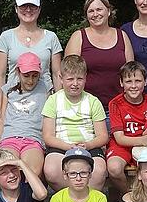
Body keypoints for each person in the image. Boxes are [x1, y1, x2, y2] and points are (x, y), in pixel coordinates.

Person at [42, 55, 109, 191]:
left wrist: (88, 145)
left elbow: (103, 136)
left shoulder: (93, 101)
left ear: (85, 78)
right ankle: (68, 201)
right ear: (61, 78)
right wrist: (68, 146)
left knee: (99, 171)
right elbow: (48, 137)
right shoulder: (53, 100)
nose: (75, 83)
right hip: (61, 145)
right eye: (70, 79)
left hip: (88, 146)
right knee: (51, 170)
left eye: (79, 79)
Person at [0, 0, 63, 112]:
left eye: (33, 6)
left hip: (45, 100)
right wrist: (0, 106)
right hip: (14, 101)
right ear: (16, 8)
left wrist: (60, 103)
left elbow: (57, 74)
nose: (28, 10)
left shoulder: (51, 37)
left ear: (39, 9)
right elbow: (0, 74)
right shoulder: (6, 37)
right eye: (23, 6)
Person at [65, 0, 134, 112]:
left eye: (99, 9)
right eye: (91, 11)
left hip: (119, 108)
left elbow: (131, 73)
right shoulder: (78, 37)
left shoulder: (122, 36)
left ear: (108, 11)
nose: (95, 14)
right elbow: (68, 75)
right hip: (85, 108)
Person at [0, 52, 52, 177]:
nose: (31, 80)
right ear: (18, 72)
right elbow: (2, 119)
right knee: (7, 170)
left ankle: (26, 196)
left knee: (31, 173)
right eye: (26, 76)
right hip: (9, 137)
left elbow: (50, 118)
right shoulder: (9, 88)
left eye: (35, 76)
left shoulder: (45, 87)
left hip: (33, 139)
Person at [106, 61, 147, 194]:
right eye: (129, 81)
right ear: (121, 83)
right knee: (114, 168)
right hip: (123, 145)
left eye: (138, 81)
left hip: (145, 146)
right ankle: (130, 196)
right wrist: (143, 140)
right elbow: (120, 138)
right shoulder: (115, 104)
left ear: (145, 82)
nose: (134, 86)